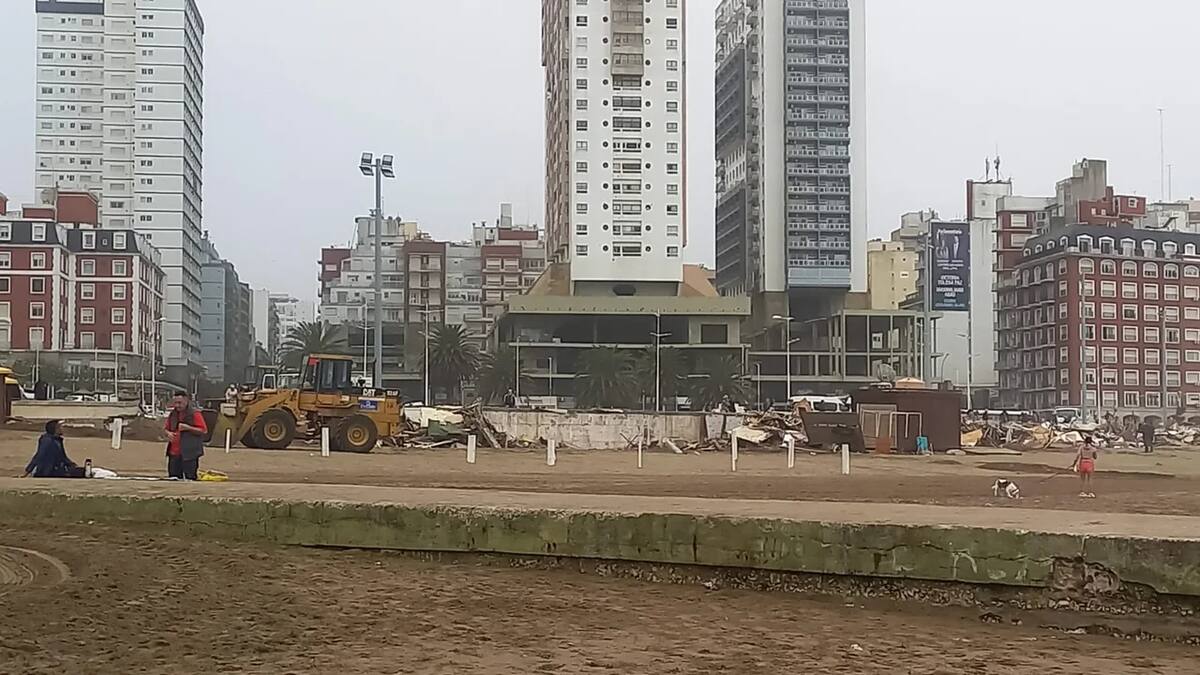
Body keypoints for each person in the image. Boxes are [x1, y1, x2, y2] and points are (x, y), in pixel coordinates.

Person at [164, 390, 207, 480]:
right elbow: (166, 428)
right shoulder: (173, 414)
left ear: (186, 401)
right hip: (174, 453)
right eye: (175, 403)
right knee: (173, 478)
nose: (177, 405)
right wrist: (168, 433)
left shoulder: (195, 414)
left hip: (189, 453)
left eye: (179, 403)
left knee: (190, 478)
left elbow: (203, 430)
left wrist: (188, 428)